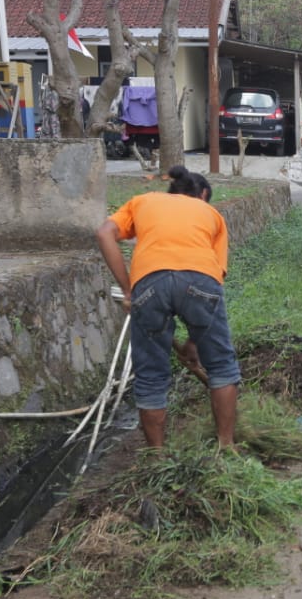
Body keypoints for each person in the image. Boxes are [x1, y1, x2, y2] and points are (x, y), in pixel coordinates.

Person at [96, 165, 242, 448]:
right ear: (202, 195)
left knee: (151, 375)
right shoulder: (211, 214)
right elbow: (210, 290)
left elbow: (104, 233)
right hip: (200, 280)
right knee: (222, 366)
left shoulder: (144, 201)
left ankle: (157, 457)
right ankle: (226, 446)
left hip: (149, 283)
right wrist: (196, 341)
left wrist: (129, 289)